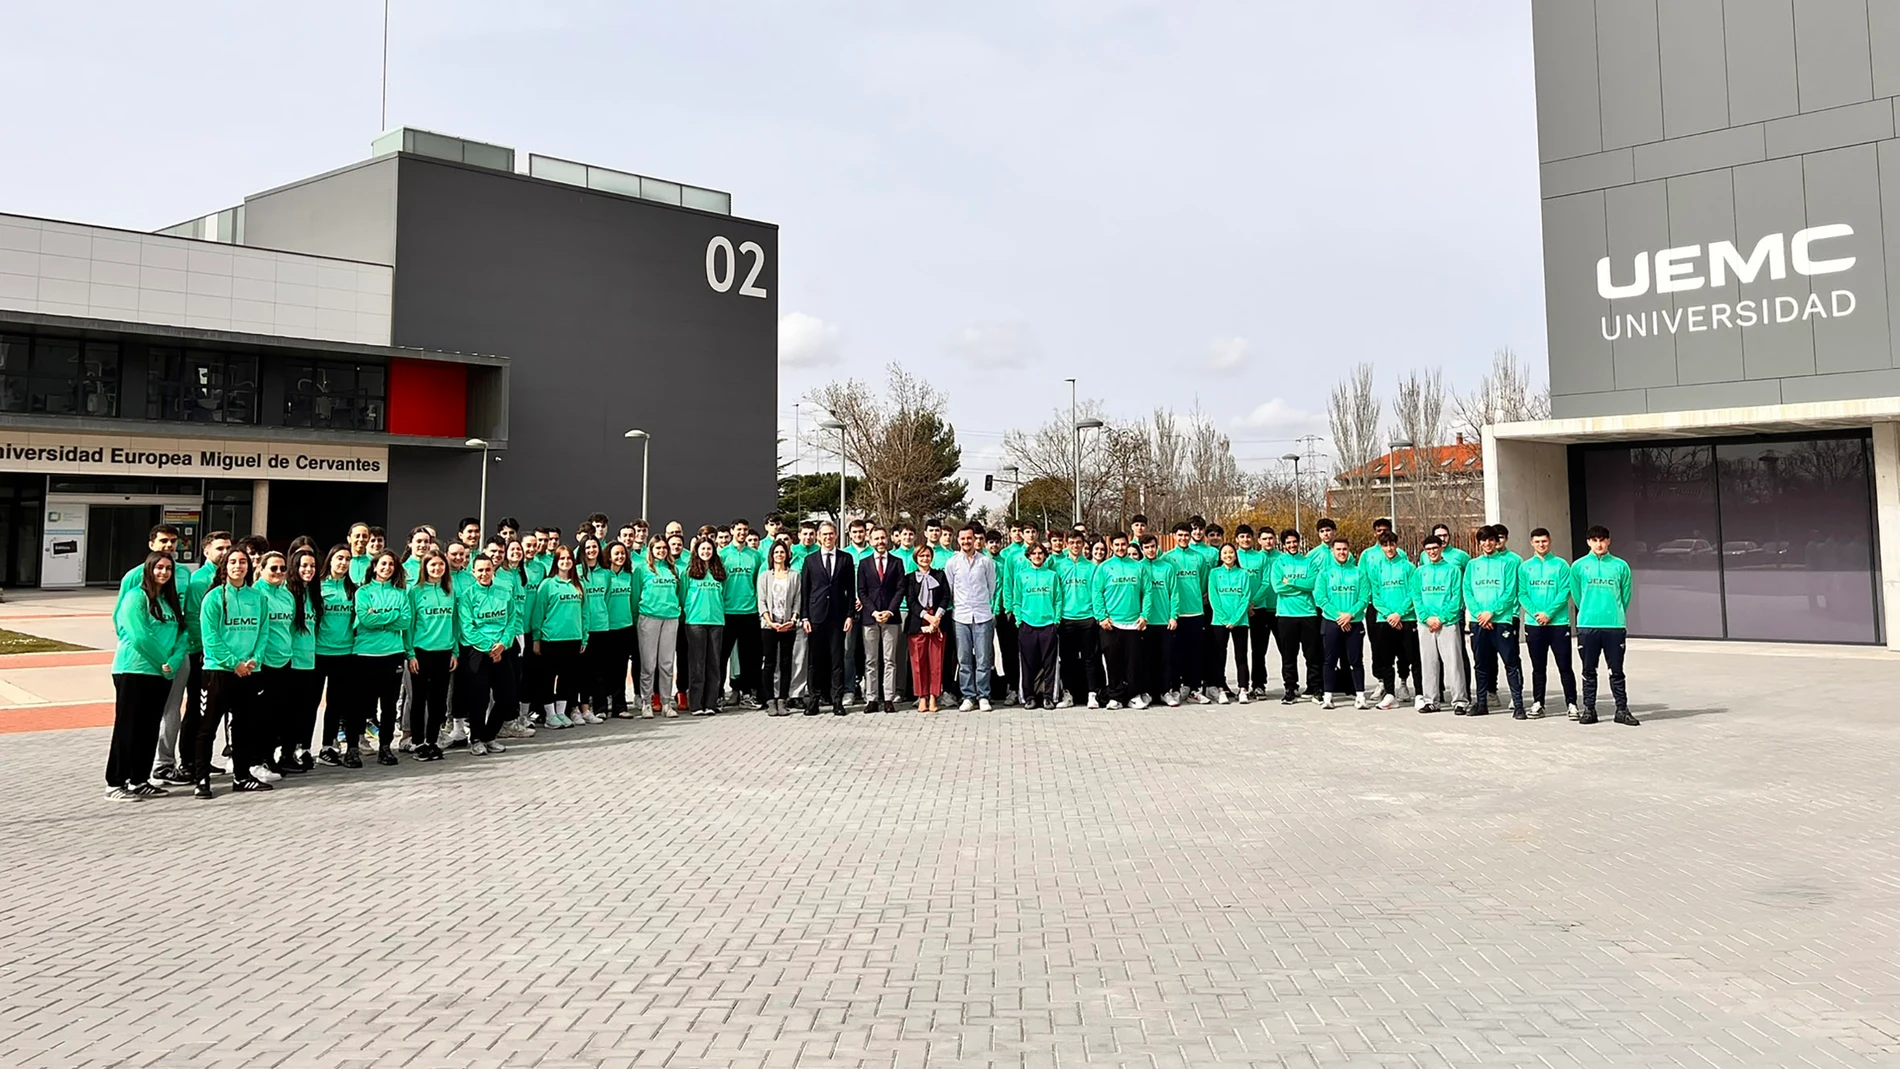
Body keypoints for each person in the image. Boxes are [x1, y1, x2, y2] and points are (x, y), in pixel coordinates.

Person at [106, 552, 188, 800]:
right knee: (127, 728)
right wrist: (163, 660)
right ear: (149, 570)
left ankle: (139, 779)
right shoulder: (135, 597)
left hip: (161, 673)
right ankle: (115, 783)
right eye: (158, 568)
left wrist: (173, 662)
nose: (163, 572)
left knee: (149, 728)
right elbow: (139, 635)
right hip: (134, 670)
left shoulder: (169, 602)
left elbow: (182, 635)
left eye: (168, 569)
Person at [150, 529, 229, 787]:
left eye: (228, 547)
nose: (225, 552)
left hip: (212, 654)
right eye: (220, 548)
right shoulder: (199, 579)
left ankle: (197, 758)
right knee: (193, 708)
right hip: (196, 652)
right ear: (206, 551)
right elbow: (193, 617)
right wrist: (202, 647)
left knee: (206, 709)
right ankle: (184, 761)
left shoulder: (187, 573)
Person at [196, 546, 267, 797]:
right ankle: (202, 779)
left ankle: (242, 775)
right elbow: (211, 637)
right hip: (218, 672)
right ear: (225, 567)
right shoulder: (214, 598)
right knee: (207, 727)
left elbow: (263, 632)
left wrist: (253, 661)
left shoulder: (258, 598)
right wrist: (233, 663)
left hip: (248, 673)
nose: (238, 566)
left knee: (243, 727)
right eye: (233, 562)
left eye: (243, 562)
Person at [1571, 525, 1637, 726]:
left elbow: (1625, 595)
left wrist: (1614, 612)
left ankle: (1621, 709)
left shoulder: (1620, 566)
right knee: (1588, 670)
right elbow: (1576, 594)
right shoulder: (1579, 566)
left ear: (1609, 541)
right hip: (1588, 625)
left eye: (1602, 540)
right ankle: (1589, 709)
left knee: (1616, 670)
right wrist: (1588, 610)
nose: (1599, 544)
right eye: (1594, 540)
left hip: (1614, 626)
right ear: (1588, 542)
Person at [353, 550, 413, 765]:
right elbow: (365, 620)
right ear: (375, 567)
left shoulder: (401, 594)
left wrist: (379, 618)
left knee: (388, 705)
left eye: (391, 564)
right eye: (383, 564)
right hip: (365, 653)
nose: (387, 568)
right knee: (360, 703)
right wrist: (392, 617)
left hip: (392, 654)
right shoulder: (363, 592)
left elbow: (405, 621)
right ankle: (353, 746)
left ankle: (385, 747)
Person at [1463, 526, 1525, 718]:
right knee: (1481, 664)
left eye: (1491, 540)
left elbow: (1510, 591)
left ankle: (1519, 706)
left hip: (1501, 620)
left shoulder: (1506, 563)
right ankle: (1482, 704)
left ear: (1495, 541)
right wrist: (1480, 614)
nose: (1487, 544)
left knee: (1511, 662)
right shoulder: (1473, 565)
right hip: (1478, 621)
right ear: (1479, 543)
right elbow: (1468, 592)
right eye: (1483, 540)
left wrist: (1493, 612)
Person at [1519, 527, 1578, 720]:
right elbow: (1522, 594)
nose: (1541, 545)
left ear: (1550, 541)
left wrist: (1549, 613)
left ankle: (1572, 704)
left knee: (1565, 666)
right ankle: (1538, 703)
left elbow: (1565, 592)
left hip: (1558, 623)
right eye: (1537, 542)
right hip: (1534, 624)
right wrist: (1537, 614)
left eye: (1544, 541)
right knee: (1538, 667)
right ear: (1532, 543)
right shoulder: (1525, 567)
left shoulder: (1561, 565)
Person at [406, 550, 460, 760]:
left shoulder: (449, 591)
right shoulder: (416, 591)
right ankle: (418, 742)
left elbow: (455, 623)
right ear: (425, 568)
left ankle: (432, 740)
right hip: (421, 652)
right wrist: (410, 654)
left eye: (440, 565)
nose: (437, 569)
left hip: (444, 652)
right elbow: (409, 626)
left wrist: (454, 651)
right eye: (432, 565)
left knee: (439, 701)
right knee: (419, 699)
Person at [799, 521, 856, 716]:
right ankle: (814, 700)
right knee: (815, 661)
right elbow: (805, 591)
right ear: (818, 536)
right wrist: (804, 616)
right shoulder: (810, 560)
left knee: (837, 660)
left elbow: (851, 590)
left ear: (836, 535)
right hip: (816, 616)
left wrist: (850, 615)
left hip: (838, 617)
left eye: (831, 534)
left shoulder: (846, 559)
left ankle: (837, 700)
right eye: (824, 534)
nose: (828, 537)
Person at [530, 544, 590, 727]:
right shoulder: (547, 584)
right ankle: (549, 715)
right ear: (556, 562)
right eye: (562, 559)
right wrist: (536, 638)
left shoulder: (578, 584)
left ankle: (561, 712)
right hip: (551, 639)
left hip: (573, 639)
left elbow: (585, 613)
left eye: (568, 559)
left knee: (567, 678)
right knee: (548, 679)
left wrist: (584, 637)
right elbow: (538, 613)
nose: (566, 562)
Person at [251, 551, 297, 782]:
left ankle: (269, 758)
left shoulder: (287, 595)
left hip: (284, 662)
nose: (278, 572)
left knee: (279, 715)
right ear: (261, 568)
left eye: (282, 569)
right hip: (263, 664)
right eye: (273, 568)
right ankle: (255, 761)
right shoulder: (256, 594)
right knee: (261, 716)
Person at [944, 523, 998, 712]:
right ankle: (968, 695)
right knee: (964, 659)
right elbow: (949, 588)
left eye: (970, 538)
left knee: (984, 659)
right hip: (961, 617)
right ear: (958, 541)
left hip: (983, 615)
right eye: (963, 538)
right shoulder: (952, 563)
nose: (967, 541)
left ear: (975, 540)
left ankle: (984, 695)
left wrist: (984, 604)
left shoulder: (985, 562)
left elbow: (991, 587)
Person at [1411, 535, 1467, 713]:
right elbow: (1417, 598)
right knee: (1428, 662)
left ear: (1441, 548)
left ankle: (1460, 700)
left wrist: (1441, 618)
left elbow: (1456, 598)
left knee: (1453, 663)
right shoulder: (1419, 572)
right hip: (1426, 624)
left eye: (1435, 548)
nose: (1432, 552)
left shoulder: (1452, 570)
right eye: (1428, 550)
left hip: (1448, 623)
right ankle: (1431, 700)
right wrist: (1426, 618)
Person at [1091, 532, 1146, 710]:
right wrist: (1102, 617)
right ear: (1112, 546)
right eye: (1117, 545)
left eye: (1123, 544)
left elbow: (1147, 593)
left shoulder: (1138, 567)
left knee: (1134, 663)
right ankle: (1115, 697)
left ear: (1128, 544)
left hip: (1133, 624)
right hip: (1111, 624)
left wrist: (1144, 615)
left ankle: (1134, 696)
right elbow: (1096, 593)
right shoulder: (1104, 568)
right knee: (1113, 663)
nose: (1121, 548)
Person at [313, 545, 358, 765]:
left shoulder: (353, 589)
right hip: (319, 652)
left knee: (337, 703)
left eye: (348, 559)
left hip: (345, 653)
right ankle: (301, 747)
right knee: (311, 703)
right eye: (339, 558)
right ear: (330, 560)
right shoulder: (318, 587)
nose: (343, 562)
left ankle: (327, 745)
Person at [1364, 531, 1419, 709]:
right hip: (1384, 620)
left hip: (1406, 619)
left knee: (1412, 657)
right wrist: (1389, 614)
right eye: (1385, 545)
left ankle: (1419, 694)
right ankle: (1389, 694)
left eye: (1391, 544)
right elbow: (1375, 595)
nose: (1389, 548)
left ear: (1397, 544)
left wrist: (1399, 613)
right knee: (1386, 660)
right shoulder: (1375, 568)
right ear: (1380, 546)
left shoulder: (1408, 567)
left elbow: (1413, 593)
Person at [1315, 538, 1371, 709]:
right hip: (1332, 623)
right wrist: (1339, 616)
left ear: (1349, 551)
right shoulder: (1324, 573)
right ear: (1332, 551)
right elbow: (1320, 598)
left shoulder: (1358, 573)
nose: (1342, 552)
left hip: (1353, 623)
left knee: (1356, 660)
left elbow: (1364, 598)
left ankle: (1360, 696)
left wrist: (1350, 615)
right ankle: (1328, 697)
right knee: (1329, 661)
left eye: (1345, 549)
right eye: (1338, 549)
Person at [856, 527, 905, 713]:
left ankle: (889, 698)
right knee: (870, 660)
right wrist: (874, 611)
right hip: (870, 617)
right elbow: (861, 591)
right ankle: (872, 699)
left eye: (883, 538)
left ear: (889, 539)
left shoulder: (897, 562)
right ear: (870, 541)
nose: (880, 541)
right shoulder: (864, 563)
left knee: (889, 660)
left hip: (891, 618)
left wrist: (890, 611)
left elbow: (900, 589)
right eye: (876, 538)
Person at [1270, 531, 1321, 705]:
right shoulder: (1279, 563)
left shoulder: (1308, 562)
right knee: (1289, 656)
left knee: (1312, 655)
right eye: (1288, 542)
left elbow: (1313, 584)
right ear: (1284, 545)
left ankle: (1315, 688)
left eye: (1294, 542)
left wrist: (1290, 583)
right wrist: (1301, 587)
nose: (1292, 545)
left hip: (1308, 613)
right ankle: (1290, 689)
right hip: (1286, 615)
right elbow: (1277, 587)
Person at [1160, 524, 1209, 705]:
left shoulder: (1199, 557)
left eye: (1186, 535)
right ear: (1174, 535)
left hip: (1196, 612)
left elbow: (1203, 583)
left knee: (1195, 653)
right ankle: (1175, 688)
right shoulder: (1167, 558)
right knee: (1175, 653)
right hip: (1175, 613)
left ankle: (1194, 689)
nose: (1183, 538)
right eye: (1180, 535)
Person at [635, 539, 683, 718]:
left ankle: (666, 703)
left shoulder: (674, 569)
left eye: (664, 548)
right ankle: (646, 703)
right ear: (651, 549)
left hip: (670, 618)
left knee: (667, 664)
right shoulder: (642, 569)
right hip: (649, 618)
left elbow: (680, 594)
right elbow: (635, 594)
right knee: (648, 664)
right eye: (658, 548)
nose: (662, 550)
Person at [719, 518, 764, 710]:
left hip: (749, 611)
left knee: (749, 657)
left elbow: (757, 582)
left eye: (745, 530)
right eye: (739, 529)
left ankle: (747, 695)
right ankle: (718, 694)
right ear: (732, 531)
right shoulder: (722, 555)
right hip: (728, 612)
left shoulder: (755, 555)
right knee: (721, 656)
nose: (742, 533)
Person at [1011, 541, 1061, 709]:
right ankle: (1028, 696)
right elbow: (1016, 601)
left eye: (1040, 553)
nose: (1037, 556)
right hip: (1027, 625)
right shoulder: (1022, 576)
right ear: (1029, 556)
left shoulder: (1052, 576)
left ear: (1045, 556)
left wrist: (1056, 620)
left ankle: (1048, 696)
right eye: (1034, 553)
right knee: (1027, 663)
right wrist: (1019, 619)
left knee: (1049, 664)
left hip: (1048, 625)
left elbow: (1058, 600)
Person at [682, 537, 729, 715]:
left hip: (716, 621)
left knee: (714, 663)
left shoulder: (719, 572)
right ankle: (696, 704)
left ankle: (711, 703)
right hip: (695, 622)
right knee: (697, 664)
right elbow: (682, 595)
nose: (706, 552)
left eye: (709, 549)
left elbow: (724, 594)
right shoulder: (689, 572)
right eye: (703, 549)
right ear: (697, 551)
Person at [1055, 529, 1101, 709]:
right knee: (1067, 659)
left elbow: (1096, 593)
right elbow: (1056, 594)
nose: (1075, 546)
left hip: (1087, 618)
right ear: (1067, 544)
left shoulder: (1091, 567)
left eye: (1079, 543)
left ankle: (1092, 694)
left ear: (1084, 545)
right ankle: (1068, 694)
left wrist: (1096, 616)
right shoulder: (1059, 567)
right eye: (1072, 543)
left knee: (1090, 659)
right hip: (1066, 619)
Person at [756, 541, 802, 715]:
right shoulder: (765, 576)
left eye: (782, 552)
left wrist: (793, 619)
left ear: (787, 555)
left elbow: (798, 599)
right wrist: (769, 621)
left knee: (785, 663)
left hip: (788, 626)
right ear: (771, 555)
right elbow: (761, 601)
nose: (779, 555)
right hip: (769, 626)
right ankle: (770, 701)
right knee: (769, 663)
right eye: (776, 552)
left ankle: (782, 699)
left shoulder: (794, 575)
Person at [1205, 542, 1254, 703]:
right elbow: (1213, 597)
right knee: (1219, 656)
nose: (1228, 556)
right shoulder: (1214, 574)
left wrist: (1235, 619)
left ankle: (1243, 689)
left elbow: (1245, 598)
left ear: (1235, 555)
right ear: (1220, 556)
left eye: (1231, 552)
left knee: (1241, 656)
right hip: (1219, 622)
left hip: (1240, 622)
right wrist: (1225, 619)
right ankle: (1221, 689)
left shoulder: (1243, 574)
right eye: (1224, 553)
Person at [905, 542, 950, 713]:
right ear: (916, 558)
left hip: (937, 620)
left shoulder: (940, 575)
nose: (925, 558)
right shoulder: (909, 578)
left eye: (928, 555)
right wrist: (927, 617)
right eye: (922, 556)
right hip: (918, 622)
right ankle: (921, 696)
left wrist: (936, 617)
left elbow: (946, 596)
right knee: (919, 662)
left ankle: (933, 696)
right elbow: (911, 601)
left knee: (936, 661)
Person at [1234, 525, 1277, 701]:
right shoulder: (1232, 556)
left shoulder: (1261, 558)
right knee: (1240, 650)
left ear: (1253, 539)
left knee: (1259, 650)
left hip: (1259, 610)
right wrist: (1243, 605)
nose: (1245, 540)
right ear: (1237, 539)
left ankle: (1259, 684)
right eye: (1242, 536)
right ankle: (1242, 686)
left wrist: (1253, 602)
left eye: (1248, 536)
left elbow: (1266, 582)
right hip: (1239, 611)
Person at [597, 541, 640, 718]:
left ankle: (620, 707)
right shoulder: (604, 575)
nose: (620, 556)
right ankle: (600, 708)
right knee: (603, 669)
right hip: (606, 628)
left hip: (625, 627)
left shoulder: (629, 576)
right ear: (609, 555)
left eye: (623, 553)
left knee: (621, 669)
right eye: (617, 553)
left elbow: (634, 601)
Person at [1137, 534, 1173, 707]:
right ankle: (1149, 692)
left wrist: (1173, 616)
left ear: (1157, 547)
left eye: (1153, 546)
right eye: (1147, 547)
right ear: (1142, 549)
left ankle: (1165, 691)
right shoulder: (1137, 568)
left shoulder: (1167, 568)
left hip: (1164, 620)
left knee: (1165, 659)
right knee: (1146, 660)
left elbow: (1175, 594)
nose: (1150, 550)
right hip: (1145, 623)